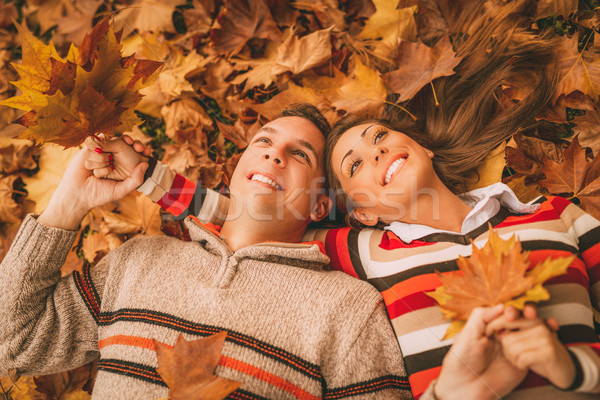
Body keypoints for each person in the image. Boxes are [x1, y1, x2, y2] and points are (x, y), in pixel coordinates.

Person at [0, 104, 419, 399]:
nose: (275, 153)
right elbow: (12, 342)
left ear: (319, 205)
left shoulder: (348, 309)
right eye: (264, 141)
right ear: (237, 168)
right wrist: (68, 204)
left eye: (300, 155)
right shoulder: (138, 261)